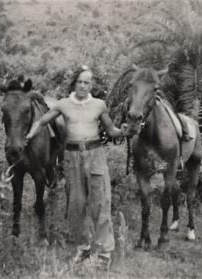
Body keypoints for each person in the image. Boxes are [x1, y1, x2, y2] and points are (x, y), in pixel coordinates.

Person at [26, 65, 127, 268]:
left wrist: (124, 130)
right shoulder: (63, 104)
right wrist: (29, 134)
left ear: (92, 85)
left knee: (101, 203)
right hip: (72, 156)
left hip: (95, 154)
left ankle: (104, 253)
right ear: (74, 83)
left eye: (87, 82)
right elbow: (42, 121)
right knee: (76, 205)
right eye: (80, 81)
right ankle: (83, 247)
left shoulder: (99, 105)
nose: (83, 85)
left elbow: (111, 130)